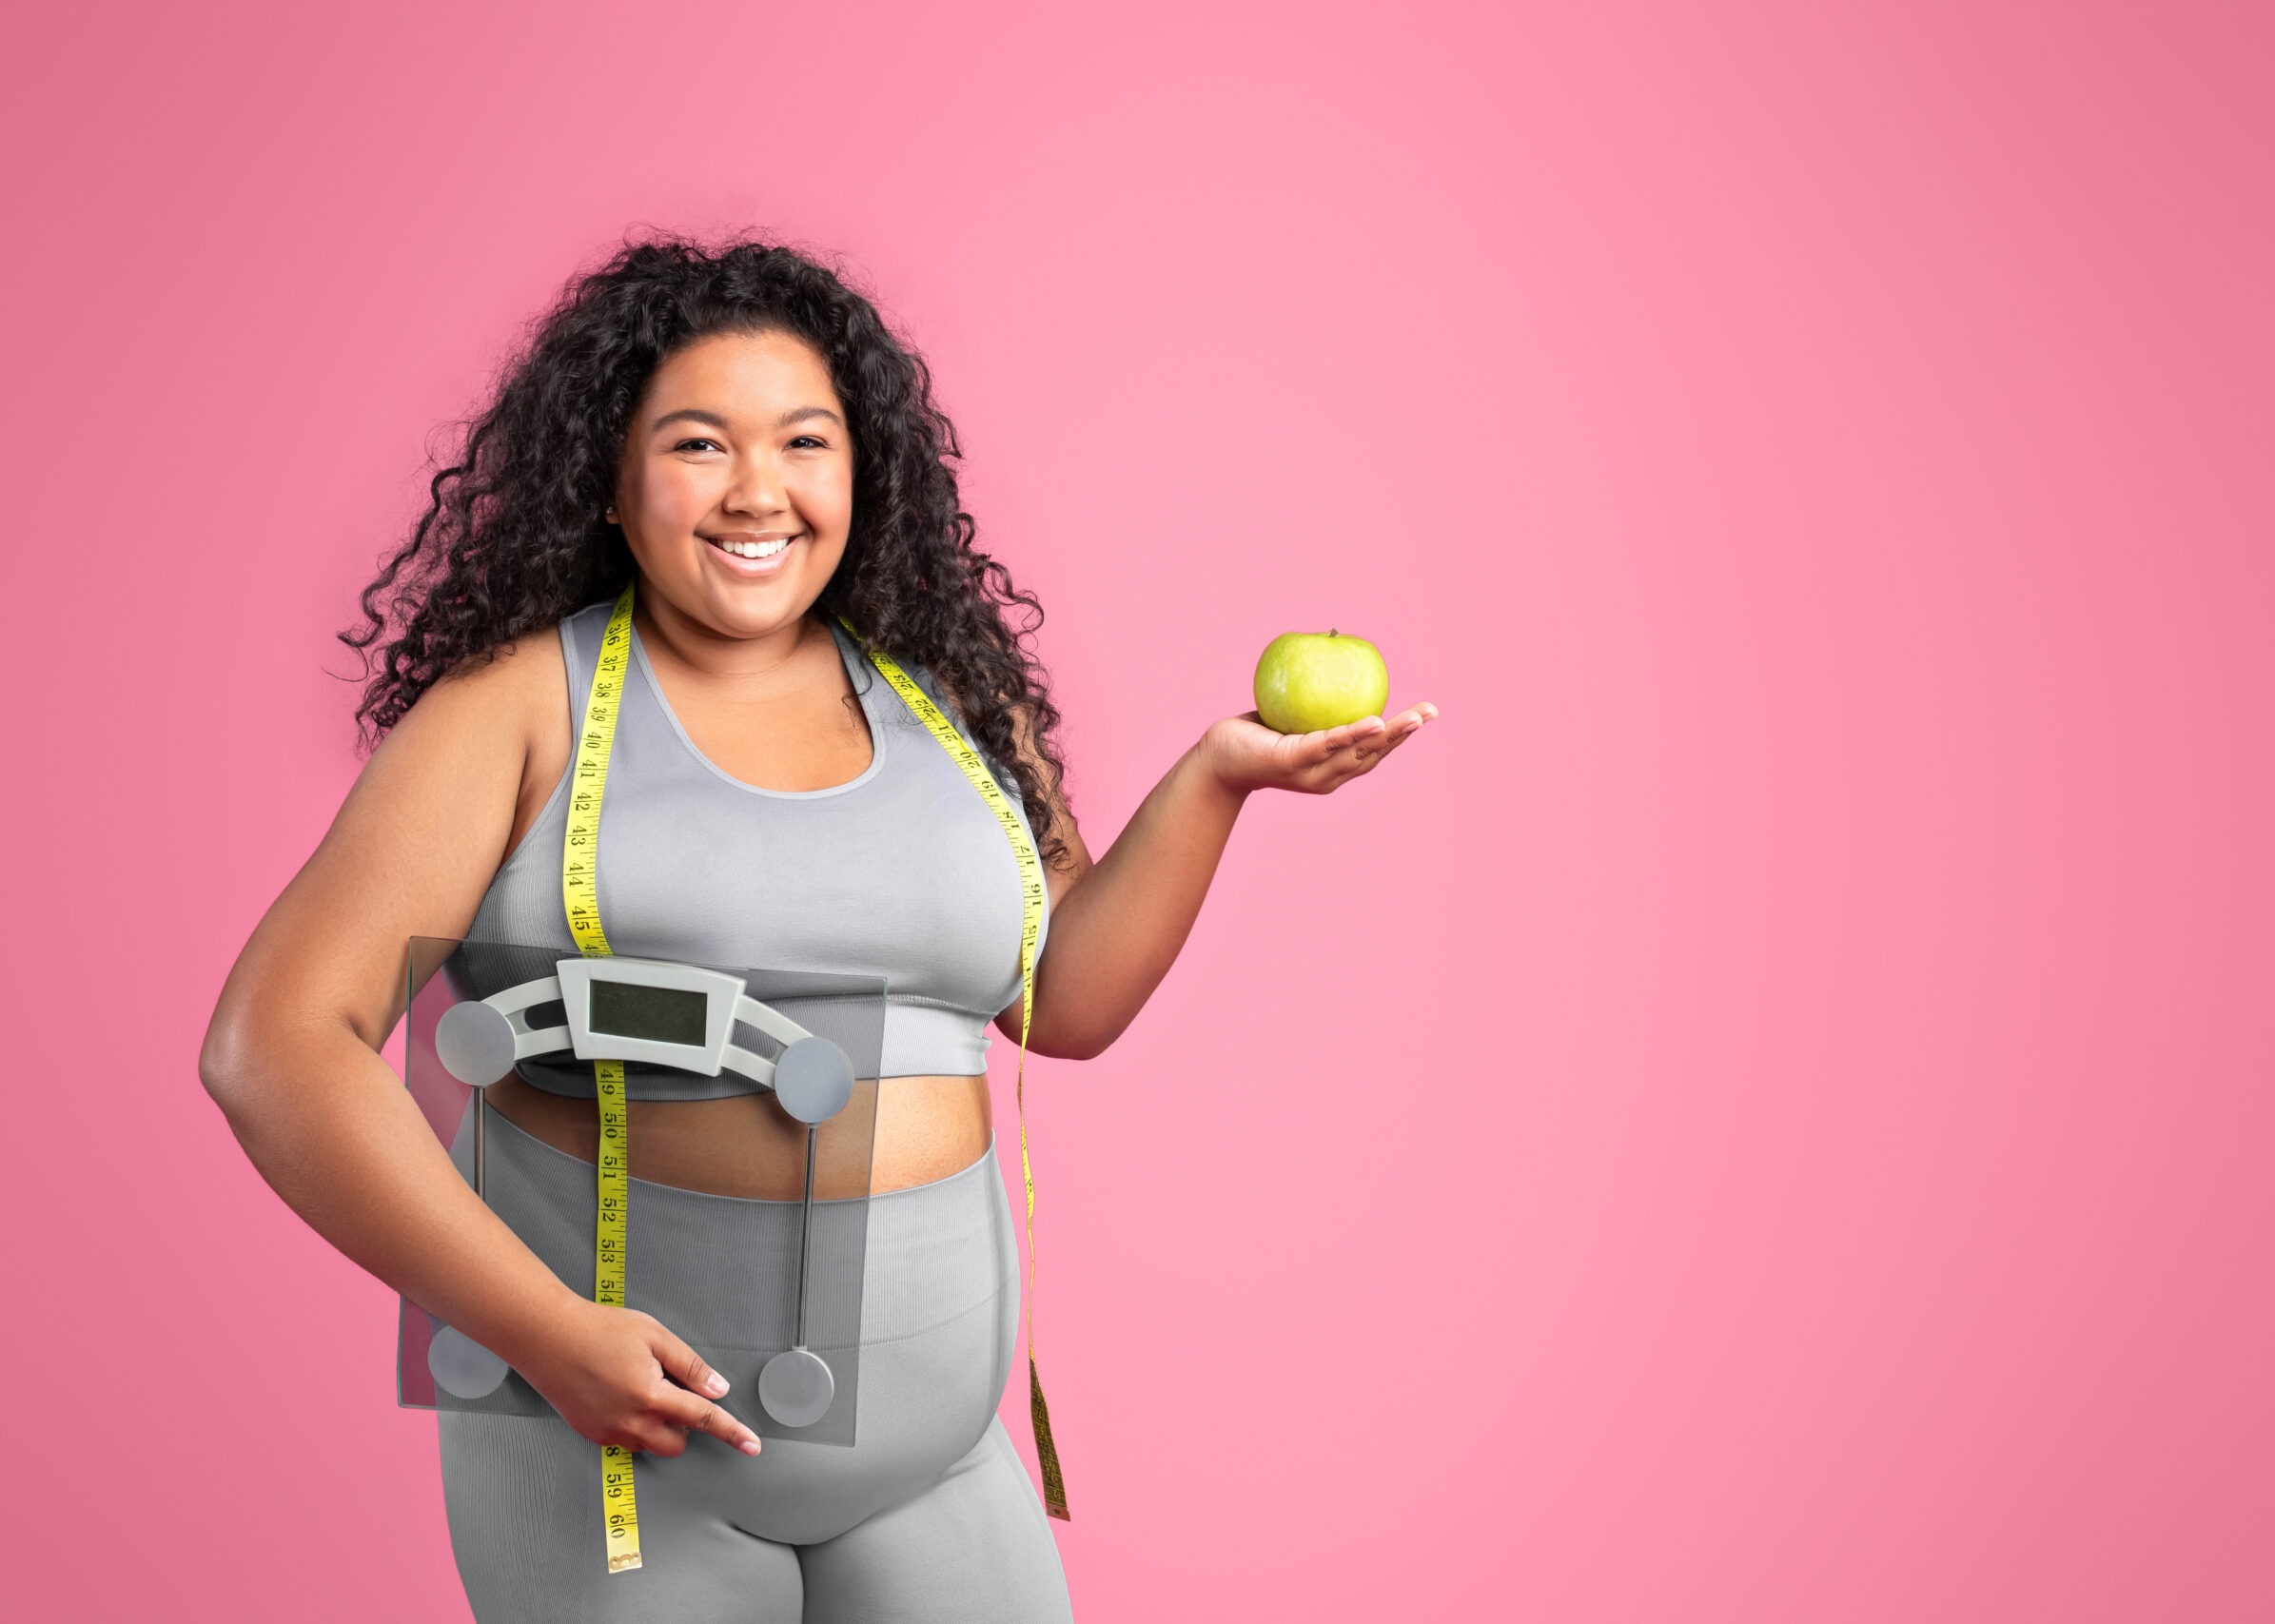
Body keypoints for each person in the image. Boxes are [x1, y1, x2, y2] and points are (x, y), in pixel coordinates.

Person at [198, 236, 1436, 1623]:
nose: (758, 491)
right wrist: (544, 1336)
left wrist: (1217, 780)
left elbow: (1065, 1000)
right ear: (610, 479)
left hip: (939, 1465)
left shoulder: (956, 705)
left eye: (804, 441)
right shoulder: (517, 709)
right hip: (621, 1454)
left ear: (865, 473)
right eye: (697, 443)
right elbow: (278, 1044)